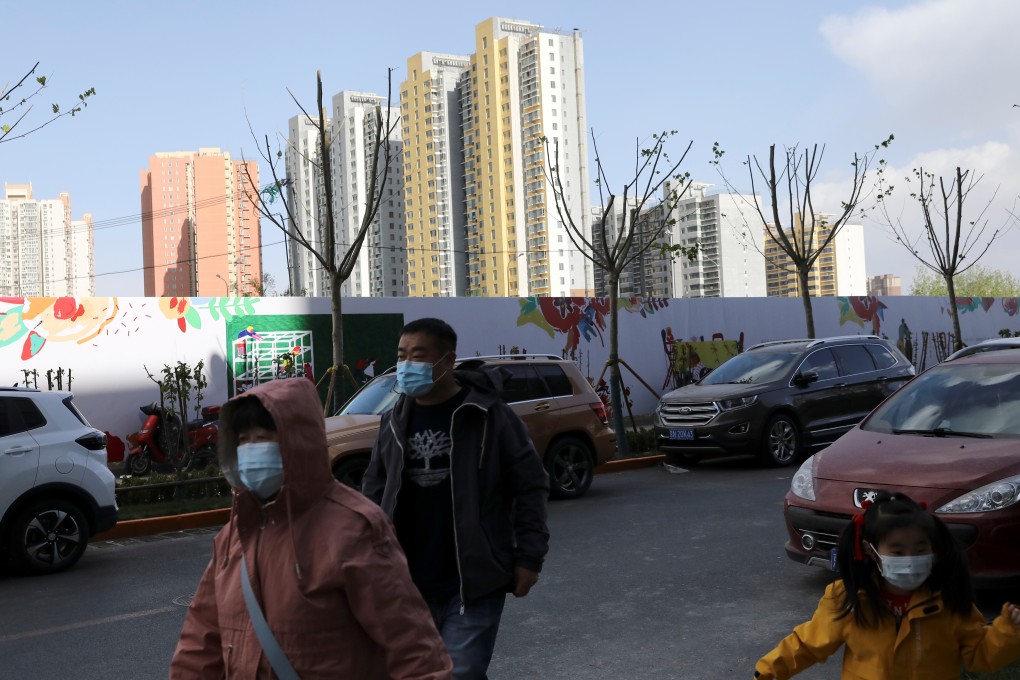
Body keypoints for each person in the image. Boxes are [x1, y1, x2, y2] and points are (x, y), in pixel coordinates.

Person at [169, 378, 452, 679]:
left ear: (296, 442)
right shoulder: (234, 536)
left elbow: (413, 648)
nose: (250, 450)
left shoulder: (354, 529)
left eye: (262, 438)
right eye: (243, 440)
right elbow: (200, 641)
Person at [363, 317, 550, 680]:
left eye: (418, 355)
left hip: (473, 583)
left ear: (447, 360)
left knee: (459, 673)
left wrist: (529, 556)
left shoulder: (489, 416)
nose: (406, 365)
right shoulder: (393, 421)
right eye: (401, 355)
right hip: (406, 584)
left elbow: (530, 485)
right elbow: (373, 492)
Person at [754, 491, 1020, 679]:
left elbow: (980, 656)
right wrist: (769, 671)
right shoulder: (850, 600)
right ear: (871, 550)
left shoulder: (949, 601)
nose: (910, 558)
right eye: (897, 551)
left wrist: (1007, 632)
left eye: (920, 549)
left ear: (934, 548)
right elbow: (807, 644)